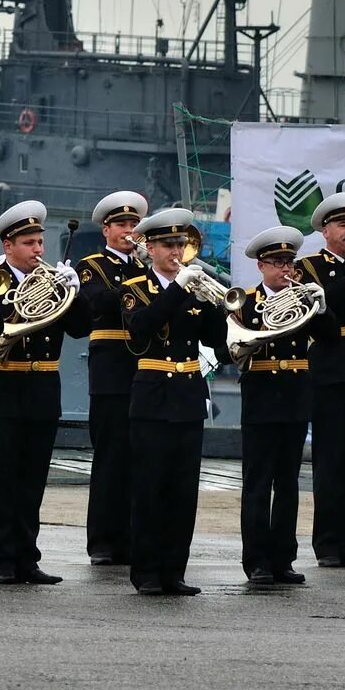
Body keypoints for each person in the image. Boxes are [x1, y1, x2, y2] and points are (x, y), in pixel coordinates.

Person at [0, 199, 91, 585]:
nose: (38, 251)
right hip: (2, 385)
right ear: (8, 246)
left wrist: (75, 293)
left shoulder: (52, 283)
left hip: (43, 386)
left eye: (40, 243)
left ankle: (28, 557)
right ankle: (2, 560)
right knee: (1, 475)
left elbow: (79, 328)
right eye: (29, 244)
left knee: (32, 478)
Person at [120, 209, 227, 595]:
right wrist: (180, 288)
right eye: (168, 244)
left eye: (181, 244)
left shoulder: (195, 287)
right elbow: (140, 330)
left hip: (188, 394)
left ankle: (174, 571)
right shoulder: (136, 288)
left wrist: (218, 304)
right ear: (150, 248)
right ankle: (147, 571)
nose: (177, 251)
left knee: (183, 491)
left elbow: (217, 342)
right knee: (151, 487)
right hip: (152, 394)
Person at [231, 226, 319, 587]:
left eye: (289, 263)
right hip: (262, 395)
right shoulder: (247, 302)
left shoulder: (303, 300)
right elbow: (231, 347)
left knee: (288, 483)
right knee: (258, 482)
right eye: (277, 263)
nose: (285, 270)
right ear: (261, 267)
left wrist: (321, 304)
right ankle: (256, 560)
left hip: (296, 395)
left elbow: (328, 336)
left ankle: (283, 557)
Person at [296, 192, 345, 569]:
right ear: (326, 230)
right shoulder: (309, 267)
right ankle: (328, 544)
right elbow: (319, 309)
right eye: (343, 224)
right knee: (331, 460)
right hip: (331, 369)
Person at [76, 190, 147, 565]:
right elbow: (98, 302)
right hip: (110, 369)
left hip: (146, 368)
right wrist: (140, 279)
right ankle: (103, 541)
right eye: (122, 224)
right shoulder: (93, 265)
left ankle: (134, 537)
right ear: (106, 229)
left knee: (140, 457)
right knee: (110, 457)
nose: (129, 231)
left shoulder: (149, 266)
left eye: (134, 224)